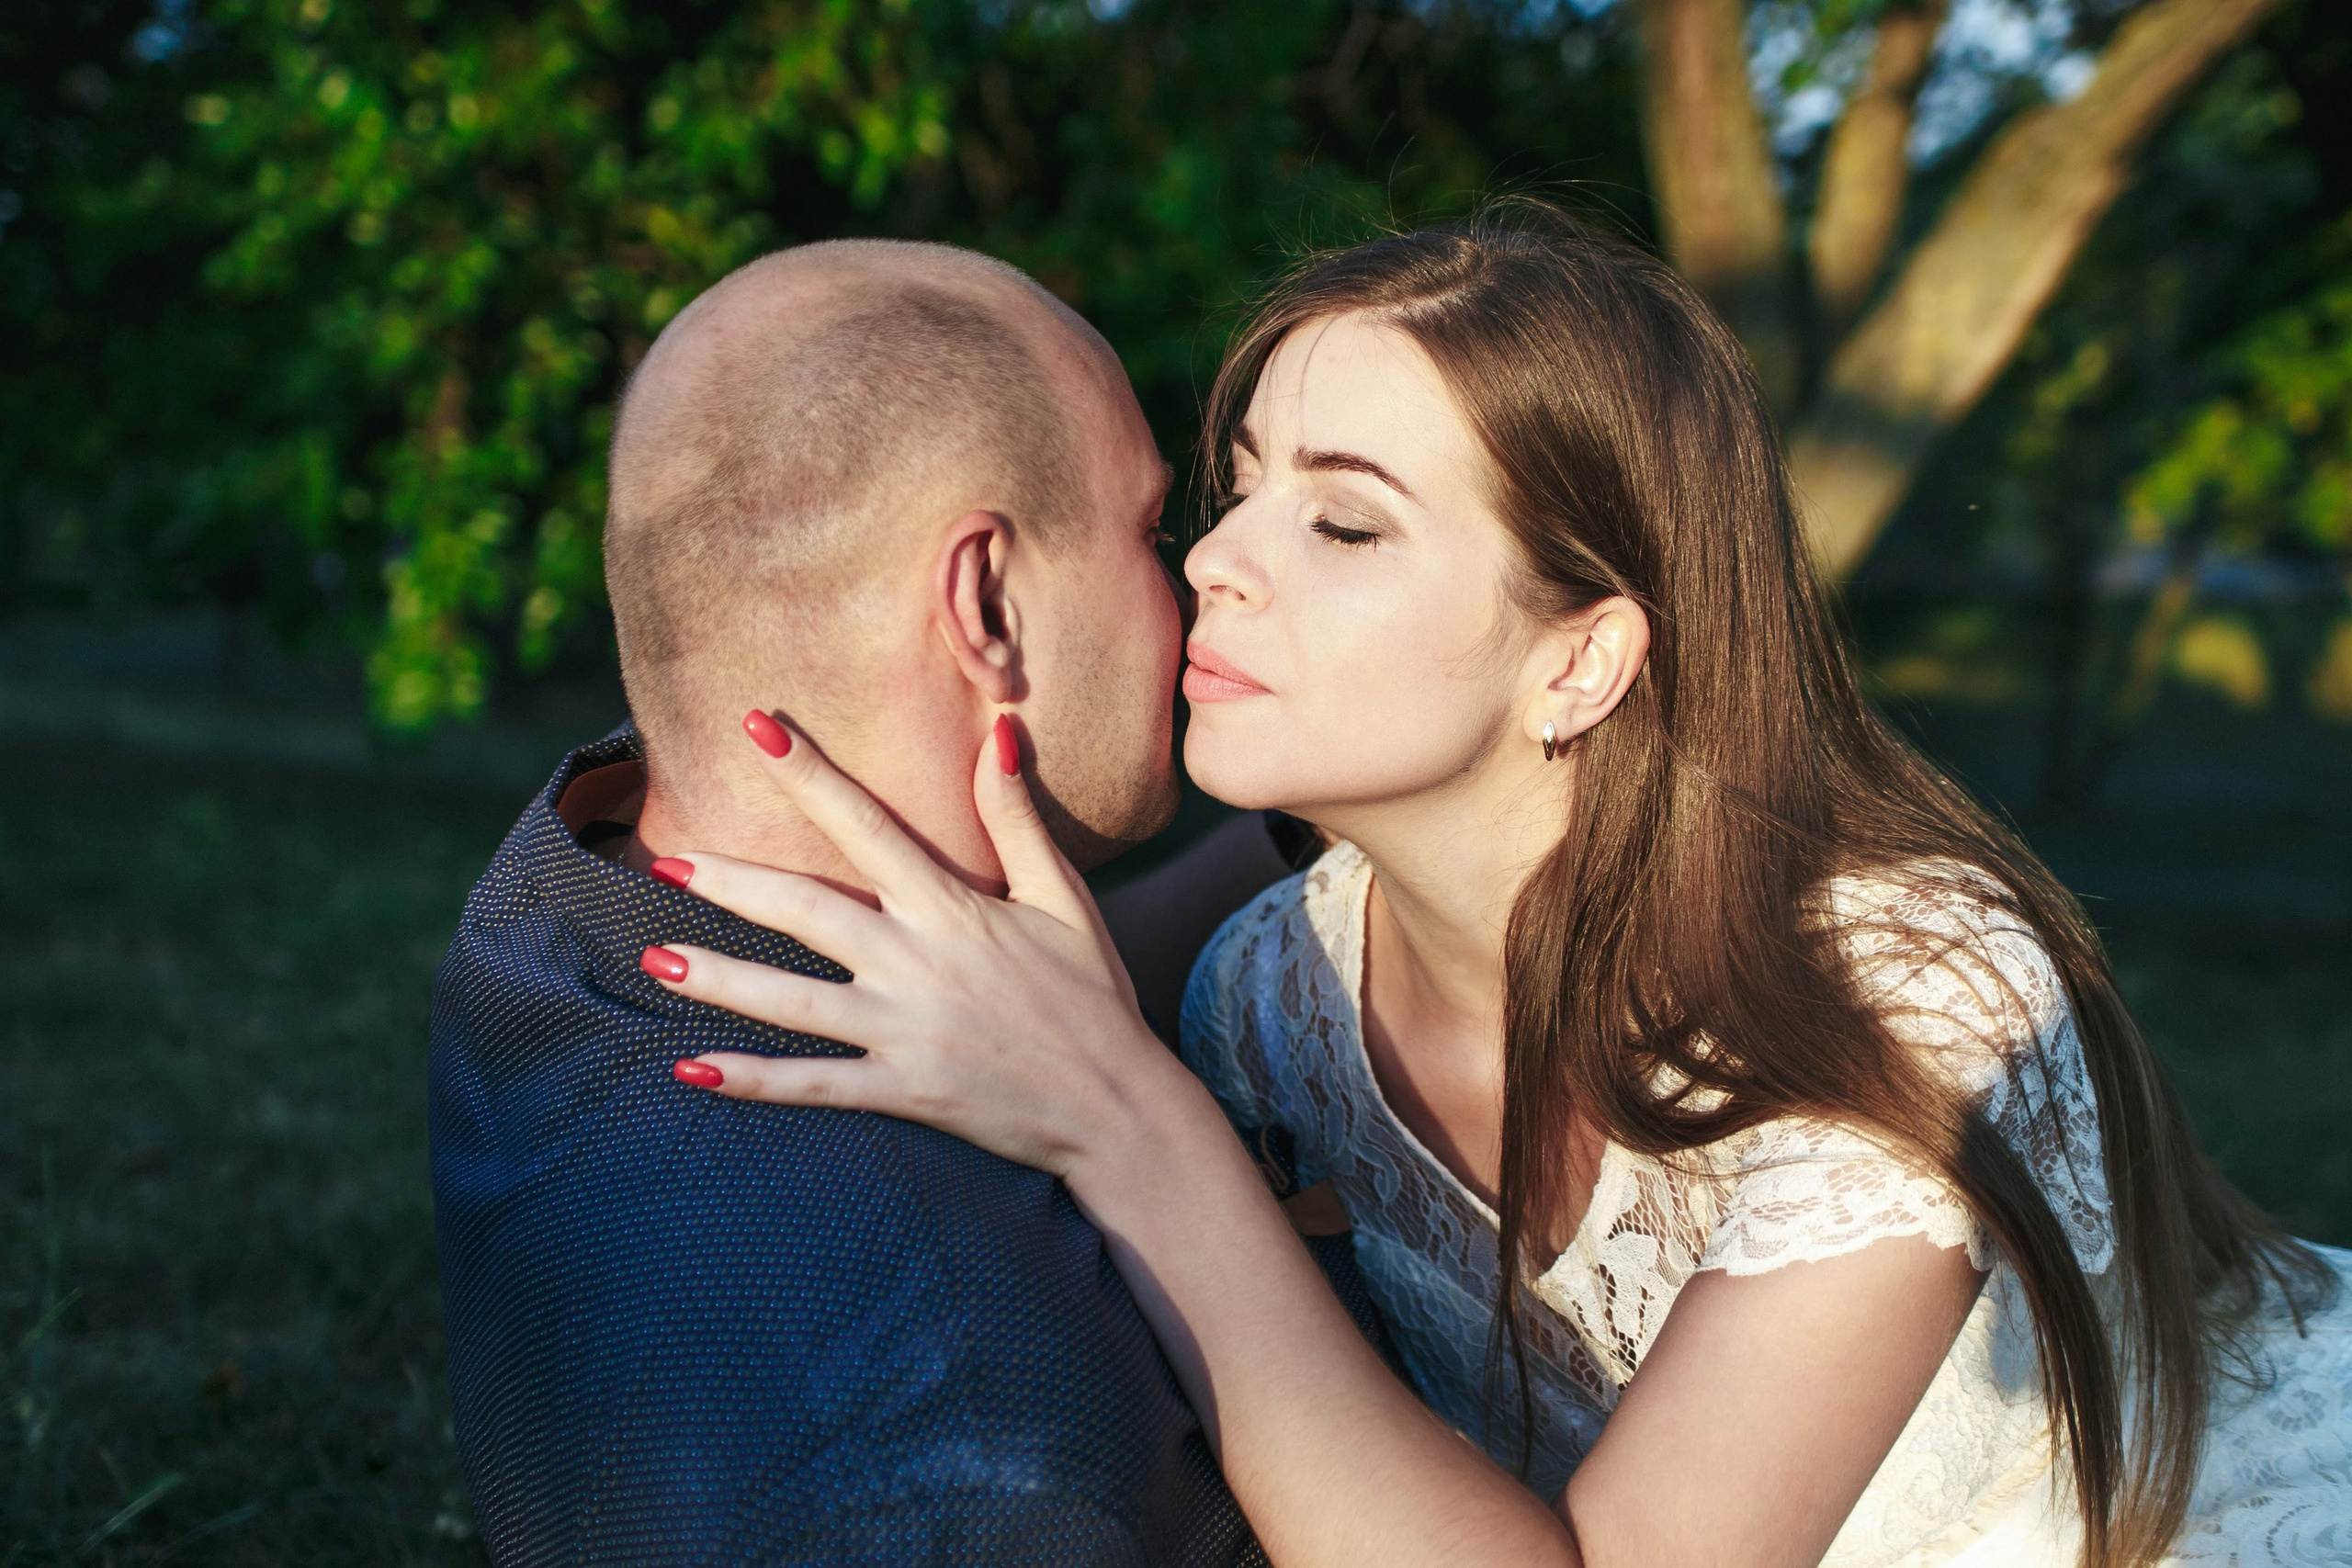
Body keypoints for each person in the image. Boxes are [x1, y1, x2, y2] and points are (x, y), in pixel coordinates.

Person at [644, 207, 2352, 1568]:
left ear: (1584, 658)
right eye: (1238, 491)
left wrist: (1132, 1130)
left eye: (1346, 526)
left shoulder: (1906, 995)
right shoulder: (1275, 990)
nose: (1216, 564)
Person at [428, 237, 1279, 1565]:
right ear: (985, 600)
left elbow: (1058, 988)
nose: (1196, 576)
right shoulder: (964, 1422)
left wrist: (1331, 830)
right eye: (1148, 528)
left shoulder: (564, 906)